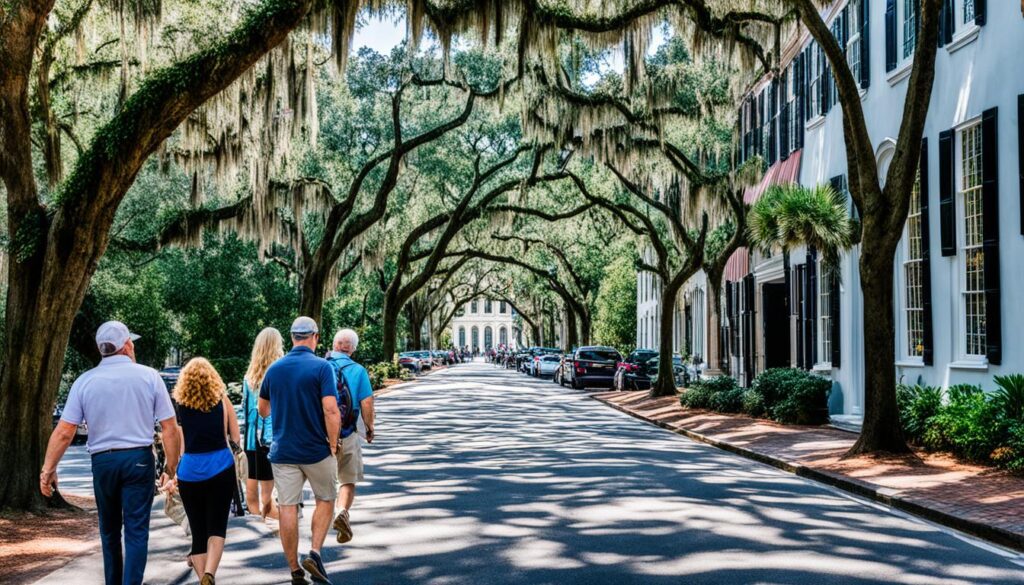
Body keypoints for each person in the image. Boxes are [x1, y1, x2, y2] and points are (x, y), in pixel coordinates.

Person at [41, 321, 180, 585]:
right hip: (138, 459)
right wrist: (171, 469)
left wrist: (48, 470)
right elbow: (169, 427)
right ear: (126, 345)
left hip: (103, 461)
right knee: (137, 531)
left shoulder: (85, 381)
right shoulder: (149, 376)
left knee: (109, 531)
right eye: (132, 342)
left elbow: (64, 431)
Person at [259, 316, 341, 585]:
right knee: (326, 499)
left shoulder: (274, 369)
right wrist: (332, 442)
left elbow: (263, 409)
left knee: (287, 508)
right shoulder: (322, 367)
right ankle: (315, 553)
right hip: (317, 449)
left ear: (293, 337)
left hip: (284, 452)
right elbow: (330, 409)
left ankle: (295, 569)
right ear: (315, 337)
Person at [169, 358, 240, 585]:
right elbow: (235, 436)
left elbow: (181, 443)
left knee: (198, 532)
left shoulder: (180, 405)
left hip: (190, 470)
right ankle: (209, 572)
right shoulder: (222, 400)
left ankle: (203, 579)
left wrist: (174, 472)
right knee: (217, 527)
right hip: (220, 466)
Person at [326, 329, 375, 544]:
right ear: (352, 349)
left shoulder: (320, 366)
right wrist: (369, 427)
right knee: (347, 479)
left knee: (324, 482)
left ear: (335, 345)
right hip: (347, 432)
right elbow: (366, 402)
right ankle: (342, 511)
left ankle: (320, 527)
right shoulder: (358, 370)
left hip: (321, 435)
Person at [242, 327, 283, 521]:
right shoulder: (279, 374)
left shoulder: (249, 377)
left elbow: (245, 408)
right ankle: (271, 522)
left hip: (251, 437)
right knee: (268, 493)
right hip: (273, 435)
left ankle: (259, 519)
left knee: (252, 485)